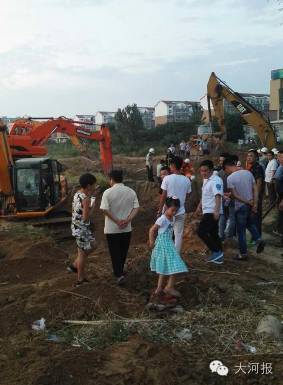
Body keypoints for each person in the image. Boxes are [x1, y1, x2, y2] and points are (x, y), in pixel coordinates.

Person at [100, 169, 139, 285]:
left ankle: (119, 274)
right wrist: (127, 220)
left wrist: (117, 221)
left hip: (112, 229)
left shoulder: (107, 192)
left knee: (114, 252)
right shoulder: (131, 191)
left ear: (111, 179)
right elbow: (136, 208)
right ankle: (120, 271)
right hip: (126, 228)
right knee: (123, 251)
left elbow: (104, 209)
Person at [224, 158, 265, 260]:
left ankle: (243, 254)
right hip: (250, 204)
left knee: (241, 231)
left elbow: (235, 195)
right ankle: (259, 240)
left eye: (225, 170)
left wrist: (245, 201)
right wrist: (254, 203)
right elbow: (255, 189)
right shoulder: (248, 173)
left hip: (240, 206)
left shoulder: (230, 178)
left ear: (227, 167)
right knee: (249, 223)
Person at [149, 197, 188, 299]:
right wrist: (152, 242)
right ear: (166, 207)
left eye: (176, 210)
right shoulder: (162, 219)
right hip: (163, 245)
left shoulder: (173, 218)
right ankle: (168, 287)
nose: (174, 212)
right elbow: (152, 230)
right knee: (176, 264)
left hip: (169, 244)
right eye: (172, 210)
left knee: (165, 265)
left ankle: (159, 288)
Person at [158, 156, 191, 253]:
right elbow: (188, 194)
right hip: (180, 210)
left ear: (172, 166)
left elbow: (163, 196)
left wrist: (160, 210)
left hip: (168, 211)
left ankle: (165, 252)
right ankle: (176, 257)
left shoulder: (167, 178)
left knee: (164, 232)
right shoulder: (186, 180)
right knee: (178, 235)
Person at [70, 173, 97, 287]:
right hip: (82, 229)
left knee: (93, 245)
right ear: (89, 185)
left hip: (77, 227)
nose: (95, 186)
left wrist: (93, 197)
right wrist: (93, 206)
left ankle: (76, 266)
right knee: (82, 254)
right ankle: (80, 280)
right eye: (94, 184)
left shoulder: (77, 194)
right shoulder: (85, 199)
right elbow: (86, 218)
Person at [196, 160, 224, 264]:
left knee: (201, 232)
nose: (203, 173)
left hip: (211, 211)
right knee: (213, 233)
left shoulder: (216, 180)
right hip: (206, 209)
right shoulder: (206, 180)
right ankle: (219, 255)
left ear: (211, 170)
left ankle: (216, 251)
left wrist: (216, 211)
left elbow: (218, 195)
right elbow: (204, 195)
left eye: (205, 171)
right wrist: (199, 206)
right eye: (201, 171)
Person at [246, 149, 265, 236]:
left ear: (256, 158)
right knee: (251, 217)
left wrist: (255, 199)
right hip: (250, 196)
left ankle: (257, 238)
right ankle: (255, 237)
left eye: (251, 156)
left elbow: (259, 183)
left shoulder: (258, 167)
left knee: (256, 217)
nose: (248, 158)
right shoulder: (249, 167)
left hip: (255, 196)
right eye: (248, 156)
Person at [217, 153, 236, 241]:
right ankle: (227, 235)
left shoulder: (220, 173)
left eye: (222, 161)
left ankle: (223, 235)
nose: (221, 162)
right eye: (220, 160)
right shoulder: (220, 173)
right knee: (227, 216)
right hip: (228, 197)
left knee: (225, 216)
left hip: (228, 197)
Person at [273, 150, 283, 243]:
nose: (279, 159)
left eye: (281, 157)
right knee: (280, 216)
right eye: (279, 157)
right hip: (280, 195)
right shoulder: (280, 166)